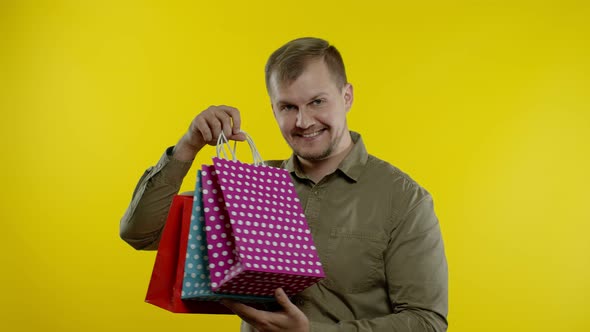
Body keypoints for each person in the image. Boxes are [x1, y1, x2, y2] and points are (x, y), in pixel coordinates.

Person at [120, 37, 448, 332]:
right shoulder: (249, 187)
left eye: (317, 102)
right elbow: (141, 234)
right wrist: (186, 147)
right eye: (288, 107)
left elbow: (427, 321)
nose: (303, 122)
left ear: (346, 96)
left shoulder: (404, 200)